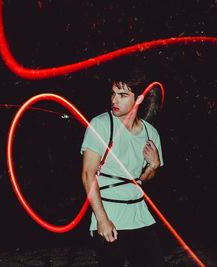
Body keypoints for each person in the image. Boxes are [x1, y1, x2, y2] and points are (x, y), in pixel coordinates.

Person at [80, 71, 165, 266]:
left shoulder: (151, 134)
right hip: (109, 214)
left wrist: (154, 165)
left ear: (139, 99)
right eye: (113, 93)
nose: (114, 100)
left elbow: (142, 179)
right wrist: (102, 219)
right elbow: (87, 174)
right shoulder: (101, 124)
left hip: (140, 215)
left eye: (122, 95)